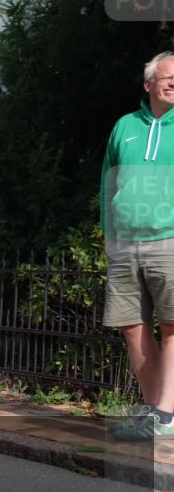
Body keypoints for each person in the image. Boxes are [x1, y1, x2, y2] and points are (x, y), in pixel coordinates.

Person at [102, 51, 174, 439]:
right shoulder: (124, 126)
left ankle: (165, 415)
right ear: (148, 84)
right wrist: (109, 237)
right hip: (125, 243)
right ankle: (156, 412)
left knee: (173, 326)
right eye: (167, 77)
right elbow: (107, 185)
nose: (173, 83)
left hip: (171, 240)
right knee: (131, 326)